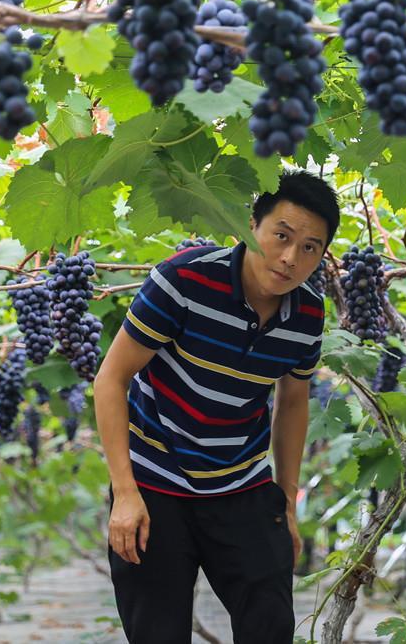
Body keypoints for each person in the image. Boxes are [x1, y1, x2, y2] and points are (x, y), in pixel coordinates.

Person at [93, 168, 339, 643]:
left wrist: (286, 501)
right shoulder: (183, 280)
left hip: (242, 485)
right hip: (155, 484)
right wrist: (124, 493)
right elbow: (111, 379)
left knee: (270, 627)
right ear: (252, 224)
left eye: (310, 247)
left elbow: (292, 402)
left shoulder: (307, 313)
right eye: (282, 236)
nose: (291, 258)